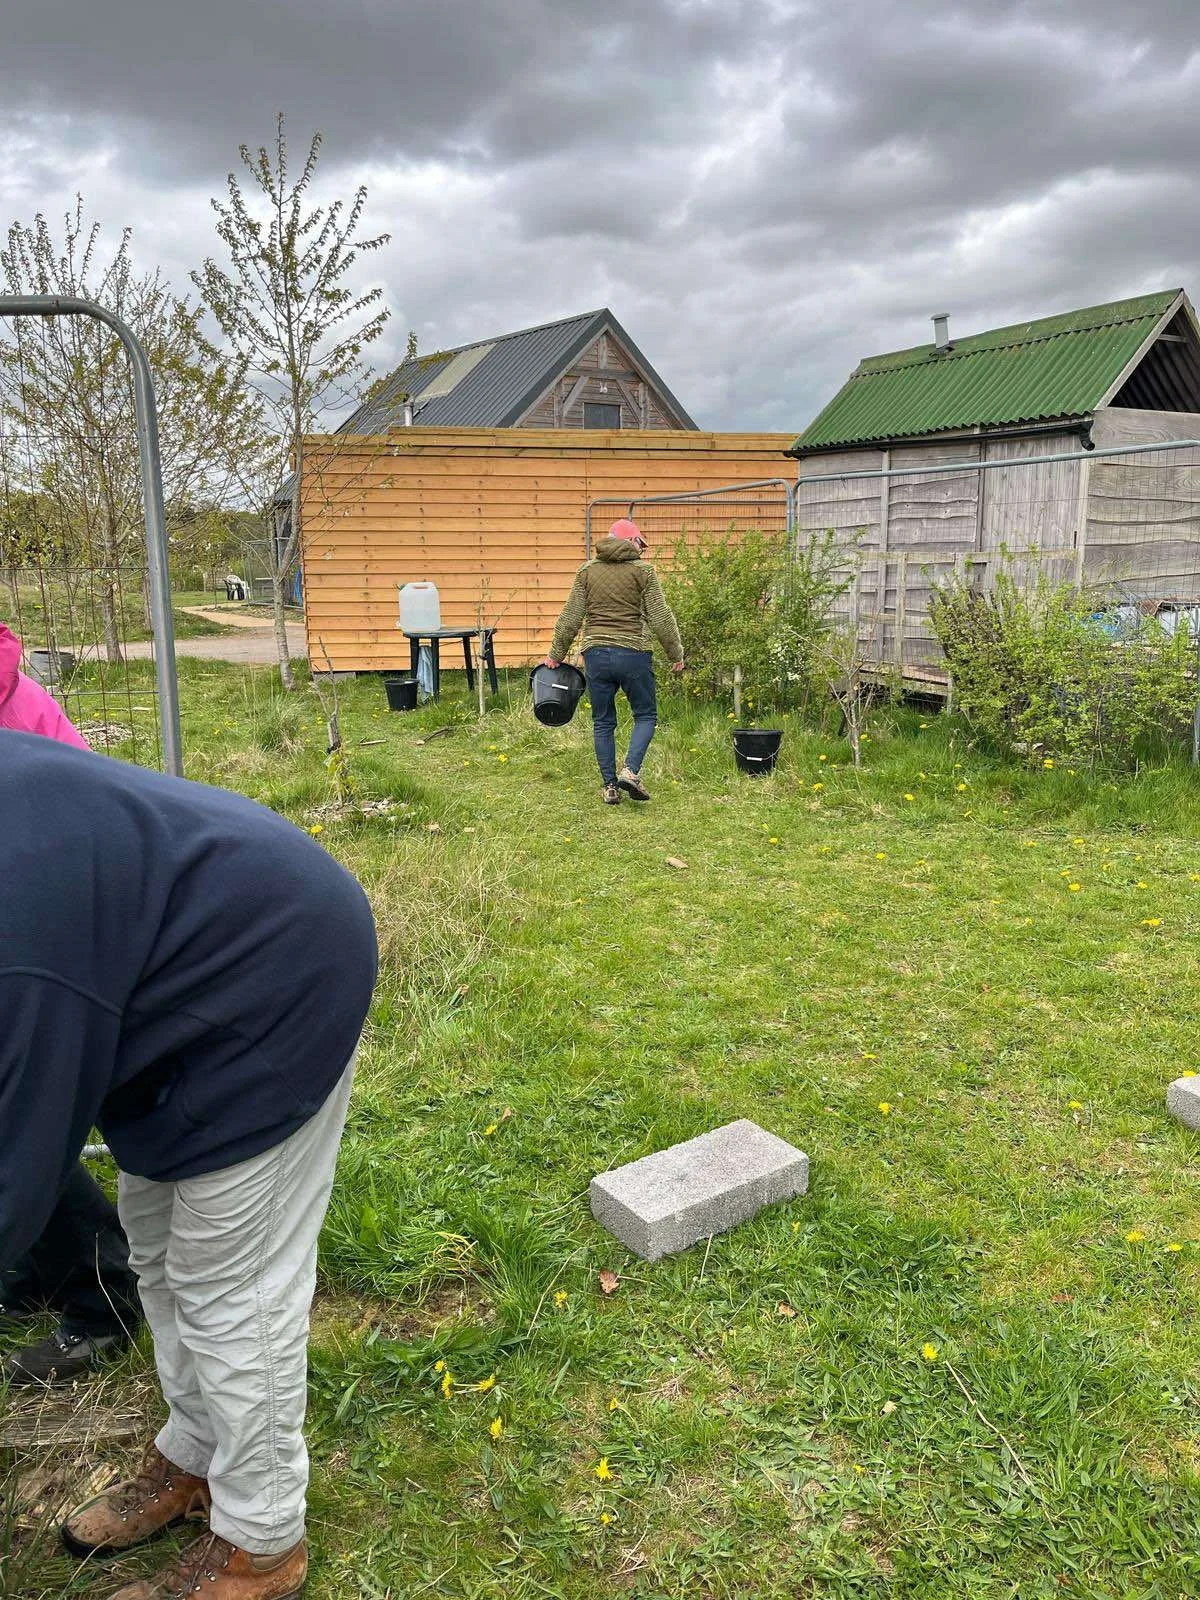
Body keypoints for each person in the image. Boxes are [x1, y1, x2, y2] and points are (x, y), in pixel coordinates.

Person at [0, 732, 377, 1600]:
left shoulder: (16, 923)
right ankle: (196, 1455)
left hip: (278, 975)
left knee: (230, 1285)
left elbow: (15, 1167)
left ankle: (262, 1542)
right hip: (178, 988)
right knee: (159, 1251)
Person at [0, 622, 144, 1384]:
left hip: (61, 915)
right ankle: (41, 1266)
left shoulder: (12, 709)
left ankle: (104, 1295)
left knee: (24, 1114)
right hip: (47, 902)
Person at [545, 518, 684, 805]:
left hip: (596, 655)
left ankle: (609, 786)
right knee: (645, 715)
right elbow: (661, 618)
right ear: (631, 542)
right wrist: (676, 654)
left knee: (603, 721)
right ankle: (630, 771)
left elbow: (570, 617)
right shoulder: (644, 572)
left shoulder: (587, 571)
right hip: (634, 653)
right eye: (640, 543)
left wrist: (555, 655)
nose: (642, 550)